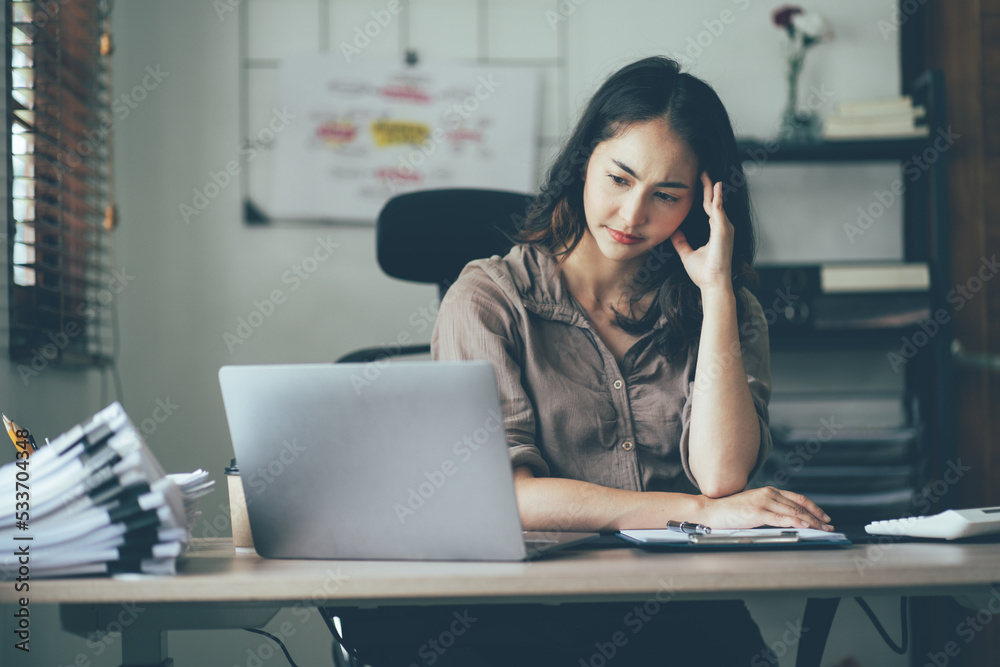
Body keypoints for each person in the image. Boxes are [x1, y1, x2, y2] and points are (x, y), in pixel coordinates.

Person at [340, 55, 832, 667]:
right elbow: (507, 498)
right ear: (582, 165)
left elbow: (722, 478)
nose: (632, 216)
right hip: (524, 616)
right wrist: (695, 515)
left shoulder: (730, 310)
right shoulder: (489, 300)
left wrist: (717, 295)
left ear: (708, 201)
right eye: (619, 179)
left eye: (667, 195)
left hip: (684, 614)